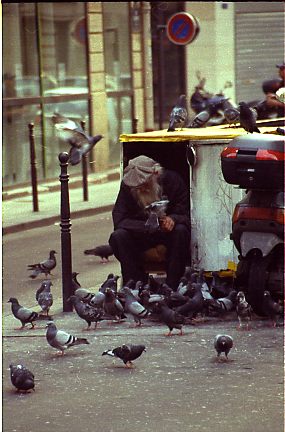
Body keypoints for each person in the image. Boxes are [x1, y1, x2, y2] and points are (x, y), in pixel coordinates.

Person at [109, 155, 191, 290]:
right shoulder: (128, 187)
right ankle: (135, 287)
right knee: (118, 236)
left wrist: (173, 219)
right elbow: (119, 219)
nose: (141, 189)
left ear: (155, 173)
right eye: (137, 187)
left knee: (181, 231)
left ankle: (172, 287)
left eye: (144, 184)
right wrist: (146, 227)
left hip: (168, 236)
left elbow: (187, 214)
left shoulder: (173, 180)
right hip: (142, 235)